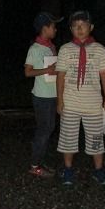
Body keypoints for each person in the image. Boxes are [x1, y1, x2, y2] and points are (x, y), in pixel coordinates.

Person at [55, 10, 105, 186]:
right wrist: (60, 101)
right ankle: (68, 169)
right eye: (75, 26)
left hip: (93, 104)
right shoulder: (65, 49)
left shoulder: (99, 49)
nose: (79, 29)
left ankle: (98, 170)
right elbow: (60, 76)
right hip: (70, 103)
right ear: (71, 29)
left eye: (83, 25)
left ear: (91, 27)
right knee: (68, 138)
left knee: (96, 139)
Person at [24, 12, 63, 177]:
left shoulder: (50, 46)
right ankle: (34, 165)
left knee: (48, 129)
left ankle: (39, 160)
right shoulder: (35, 48)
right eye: (53, 26)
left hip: (52, 94)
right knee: (43, 130)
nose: (56, 29)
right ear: (44, 28)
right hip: (42, 96)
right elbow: (28, 72)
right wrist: (47, 70)